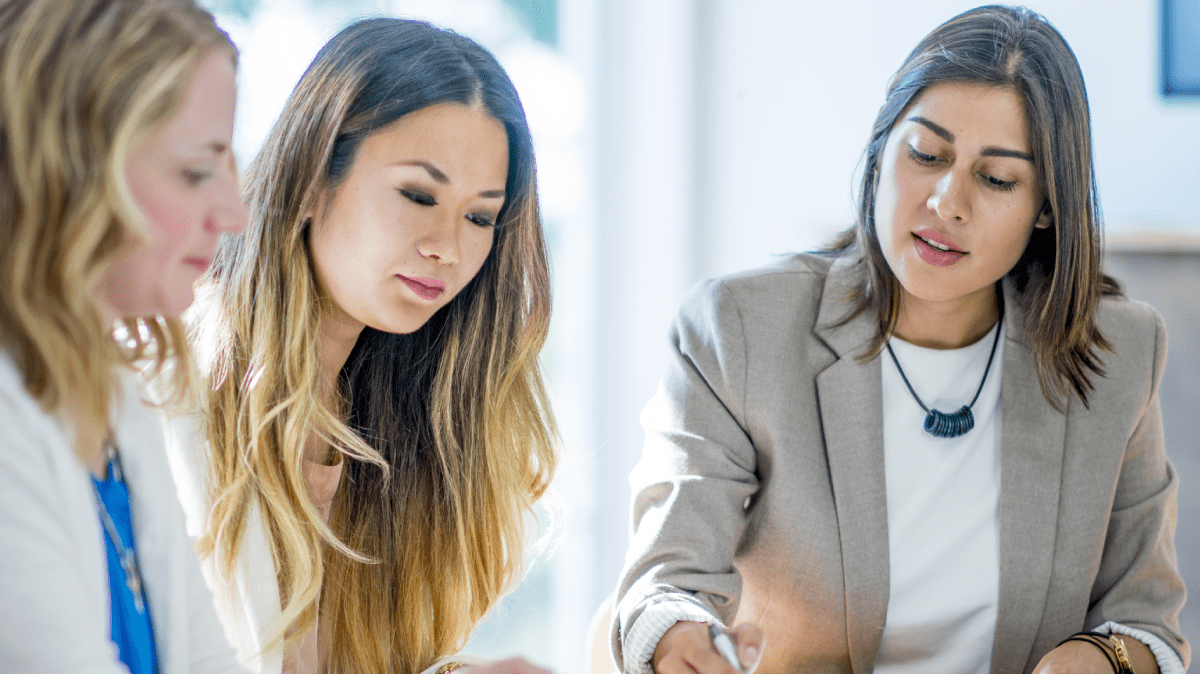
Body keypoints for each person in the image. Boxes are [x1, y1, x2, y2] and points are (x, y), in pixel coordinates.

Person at [612, 5, 1188, 674]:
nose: (948, 201)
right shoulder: (737, 328)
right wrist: (683, 638)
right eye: (926, 153)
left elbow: (1147, 623)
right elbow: (664, 581)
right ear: (882, 154)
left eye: (997, 178)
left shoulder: (1120, 351)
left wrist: (1092, 658)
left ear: (1047, 207)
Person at [164, 17, 558, 674]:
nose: (448, 247)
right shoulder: (183, 394)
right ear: (314, 179)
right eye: (417, 194)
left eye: (480, 215)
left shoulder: (404, 428)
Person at [0, 0, 249, 672]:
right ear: (68, 170)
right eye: (198, 170)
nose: (234, 211)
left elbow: (204, 661)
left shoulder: (112, 394)